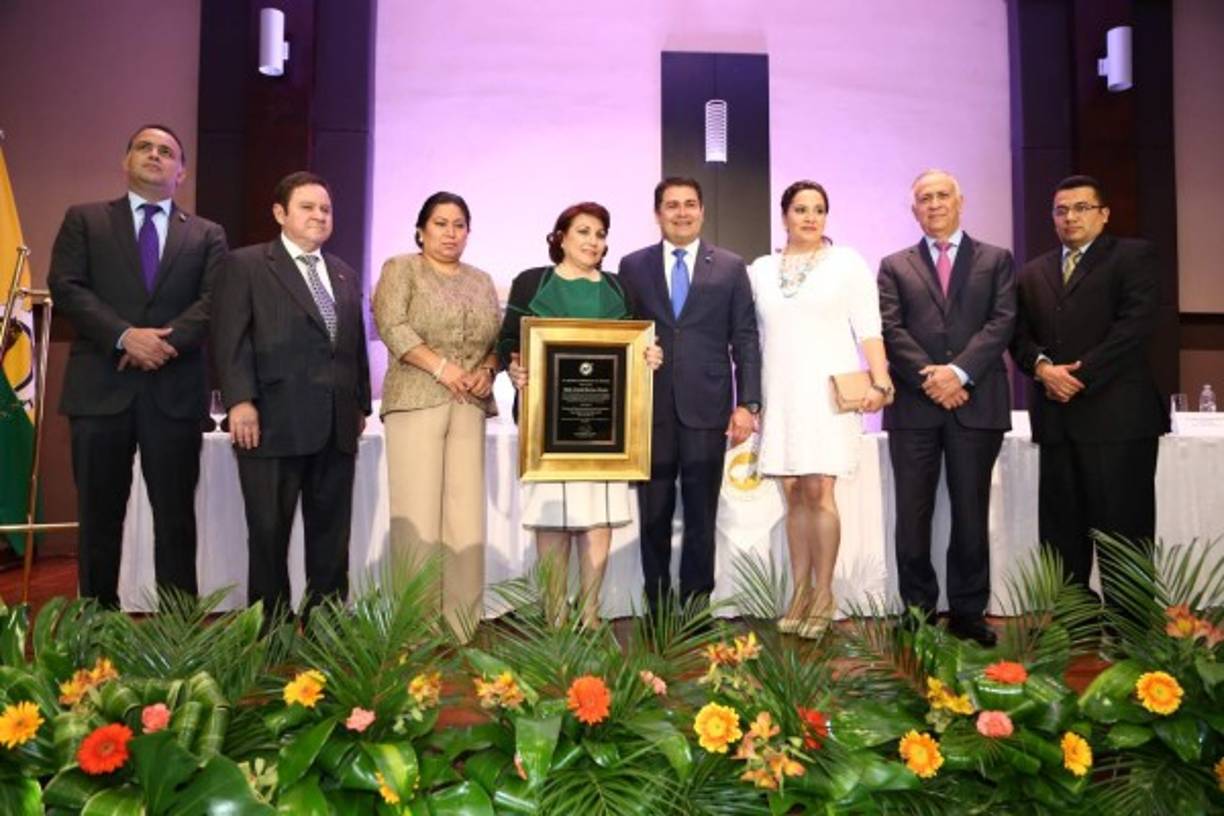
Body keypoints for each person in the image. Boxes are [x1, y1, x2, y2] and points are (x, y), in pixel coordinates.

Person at [48, 124, 227, 606]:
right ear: (125, 161)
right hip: (99, 390)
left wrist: (160, 344)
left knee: (176, 520)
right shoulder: (85, 220)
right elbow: (66, 287)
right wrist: (124, 336)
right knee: (98, 519)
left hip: (174, 394)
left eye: (166, 151)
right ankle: (96, 625)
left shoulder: (207, 234)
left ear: (181, 172)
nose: (154, 154)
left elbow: (215, 300)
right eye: (144, 147)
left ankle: (176, 633)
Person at [212, 171, 371, 620]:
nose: (319, 215)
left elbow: (353, 345)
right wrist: (240, 401)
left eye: (326, 208)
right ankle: (271, 634)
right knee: (268, 537)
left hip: (336, 429)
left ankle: (325, 627)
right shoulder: (246, 265)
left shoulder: (343, 272)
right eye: (307, 207)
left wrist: (359, 403)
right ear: (280, 213)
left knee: (331, 539)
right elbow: (229, 338)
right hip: (271, 424)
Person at [500, 202, 662, 628]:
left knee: (598, 516)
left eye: (600, 234)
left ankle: (590, 612)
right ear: (561, 237)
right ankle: (555, 612)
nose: (593, 241)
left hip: (607, 427)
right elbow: (508, 343)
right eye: (584, 231)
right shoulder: (532, 282)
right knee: (551, 518)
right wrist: (514, 367)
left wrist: (650, 356)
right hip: (545, 423)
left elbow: (636, 344)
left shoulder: (618, 288)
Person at [1011, 174, 1166, 606]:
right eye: (1061, 210)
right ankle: (1073, 622)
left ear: (1104, 214)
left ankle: (1129, 626)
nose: (1070, 217)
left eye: (1081, 208)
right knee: (1060, 533)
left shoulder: (1133, 256)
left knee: (1124, 531)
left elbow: (1134, 327)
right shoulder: (1032, 272)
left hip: (1119, 419)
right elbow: (1019, 337)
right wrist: (1044, 369)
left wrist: (1076, 376)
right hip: (1057, 420)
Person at [878, 170, 1016, 647]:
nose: (934, 204)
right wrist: (934, 379)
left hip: (976, 402)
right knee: (912, 514)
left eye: (942, 195)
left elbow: (1002, 322)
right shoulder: (894, 266)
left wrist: (958, 373)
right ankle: (916, 609)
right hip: (915, 407)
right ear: (913, 209)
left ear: (960, 201)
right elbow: (890, 329)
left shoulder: (996, 259)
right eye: (924, 198)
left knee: (970, 511)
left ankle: (968, 612)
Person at [747, 181, 889, 639]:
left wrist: (881, 379)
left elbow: (869, 327)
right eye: (801, 209)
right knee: (792, 493)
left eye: (819, 209)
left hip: (826, 393)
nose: (810, 217)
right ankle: (799, 593)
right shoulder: (761, 270)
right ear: (784, 215)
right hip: (781, 391)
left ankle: (824, 593)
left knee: (819, 490)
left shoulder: (846, 262)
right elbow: (749, 335)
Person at [617, 178, 762, 614]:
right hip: (650, 408)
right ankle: (658, 608)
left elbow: (745, 338)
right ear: (657, 213)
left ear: (702, 211)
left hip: (708, 406)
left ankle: (697, 610)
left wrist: (747, 403)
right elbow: (621, 334)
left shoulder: (731, 267)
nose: (681, 213)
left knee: (701, 515)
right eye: (672, 205)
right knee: (654, 514)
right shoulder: (632, 265)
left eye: (690, 204)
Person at [373, 192, 500, 642]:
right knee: (418, 518)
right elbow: (392, 325)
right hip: (416, 398)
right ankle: (416, 627)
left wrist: (488, 371)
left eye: (459, 225)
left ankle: (462, 623)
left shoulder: (482, 280)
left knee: (465, 517)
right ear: (421, 230)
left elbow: (495, 341)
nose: (451, 233)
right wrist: (442, 368)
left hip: (469, 404)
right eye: (441, 223)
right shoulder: (401, 268)